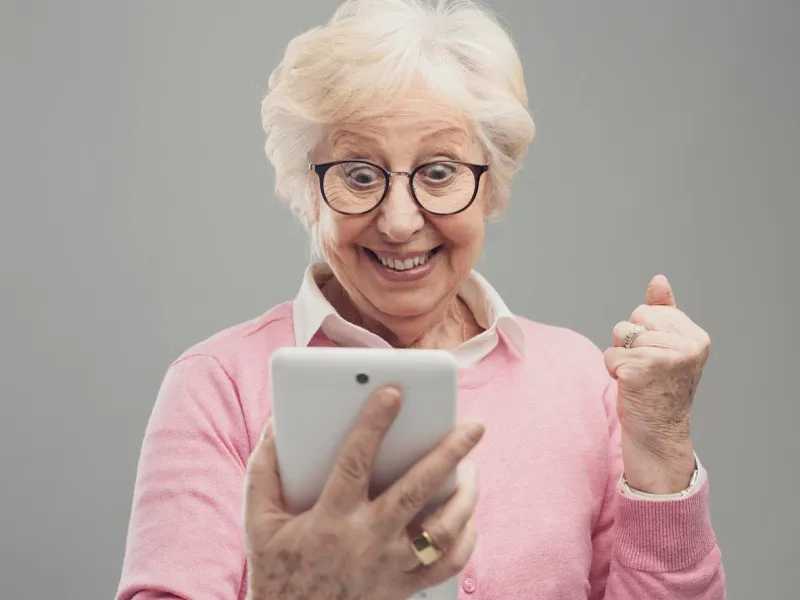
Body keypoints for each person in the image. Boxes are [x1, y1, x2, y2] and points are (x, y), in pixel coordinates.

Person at [116, 1, 726, 598]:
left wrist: (663, 445)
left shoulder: (579, 382)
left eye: (439, 172)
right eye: (359, 174)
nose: (400, 222)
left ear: (491, 185)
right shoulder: (219, 386)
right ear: (308, 189)